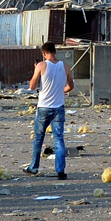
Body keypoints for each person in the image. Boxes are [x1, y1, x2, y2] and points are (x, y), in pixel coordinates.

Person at [24, 42, 73, 179]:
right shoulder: (65, 66)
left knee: (39, 138)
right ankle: (60, 171)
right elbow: (71, 86)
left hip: (44, 106)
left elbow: (32, 86)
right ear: (55, 52)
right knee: (59, 139)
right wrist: (60, 91)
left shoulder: (41, 65)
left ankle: (34, 167)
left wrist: (36, 70)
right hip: (58, 107)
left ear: (44, 53)